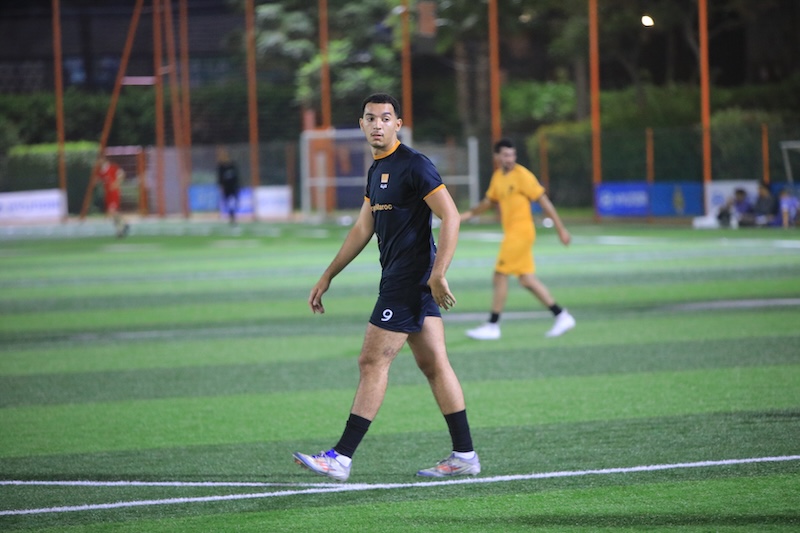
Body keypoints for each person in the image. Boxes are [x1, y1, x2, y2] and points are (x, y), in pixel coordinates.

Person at [293, 93, 480, 482]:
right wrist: (328, 275)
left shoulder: (414, 165)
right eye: (370, 118)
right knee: (434, 363)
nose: (377, 124)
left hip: (410, 279)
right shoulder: (377, 169)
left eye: (385, 118)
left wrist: (439, 273)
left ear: (398, 124)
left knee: (372, 361)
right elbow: (364, 228)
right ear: (361, 124)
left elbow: (451, 216)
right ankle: (465, 454)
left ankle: (341, 457)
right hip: (402, 277)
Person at [461, 138, 574, 340]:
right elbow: (488, 202)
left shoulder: (523, 175)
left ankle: (493, 325)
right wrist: (465, 216)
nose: (510, 159)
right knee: (527, 280)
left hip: (521, 233)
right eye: (505, 155)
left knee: (500, 275)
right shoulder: (498, 177)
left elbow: (544, 202)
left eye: (512, 155)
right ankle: (562, 316)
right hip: (512, 233)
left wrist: (561, 229)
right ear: (496, 157)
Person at [95, 156, 129, 238]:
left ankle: (122, 226)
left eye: (100, 159)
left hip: (114, 193)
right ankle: (122, 227)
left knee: (112, 211)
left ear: (103, 159)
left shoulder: (112, 167)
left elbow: (122, 174)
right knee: (113, 212)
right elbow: (100, 180)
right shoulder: (101, 171)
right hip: (108, 194)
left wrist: (116, 183)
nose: (99, 162)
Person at [216, 147, 240, 225]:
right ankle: (229, 216)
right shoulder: (221, 167)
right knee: (227, 202)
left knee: (233, 202)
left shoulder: (232, 165)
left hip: (233, 187)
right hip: (226, 188)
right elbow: (219, 178)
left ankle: (232, 216)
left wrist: (238, 186)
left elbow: (237, 177)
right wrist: (221, 186)